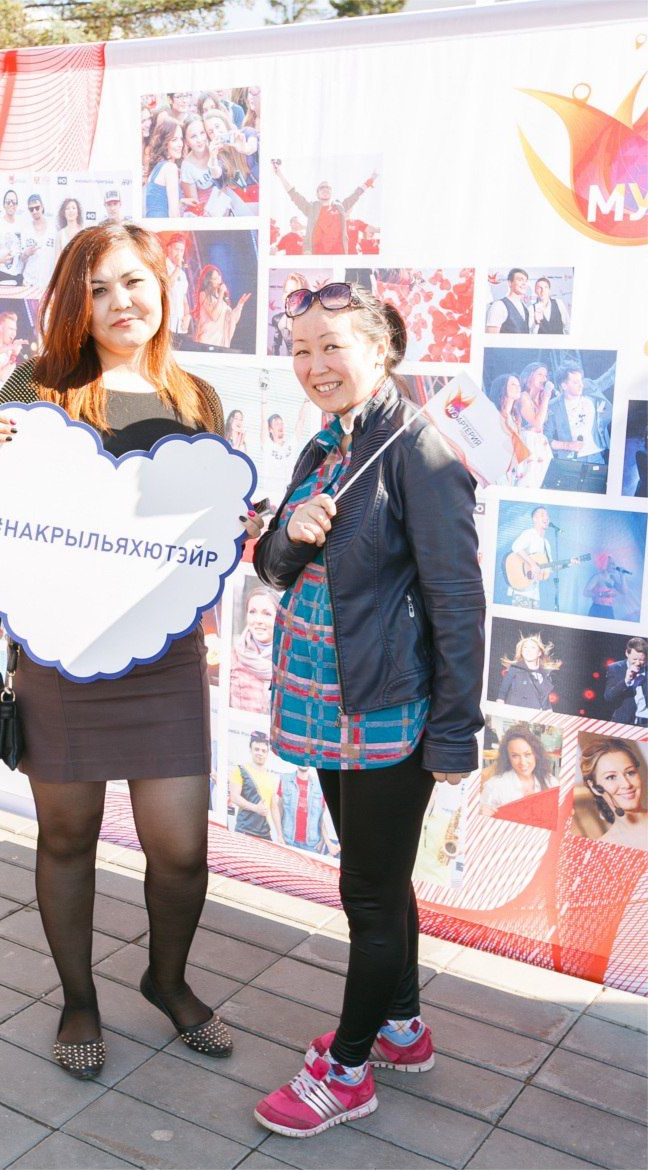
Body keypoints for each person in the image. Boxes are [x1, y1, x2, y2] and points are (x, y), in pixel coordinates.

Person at [0, 222, 255, 1078]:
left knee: (180, 851)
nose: (121, 303)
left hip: (164, 653)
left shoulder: (196, 396)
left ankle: (166, 979)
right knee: (68, 836)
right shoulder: (37, 385)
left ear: (162, 288)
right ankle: (78, 999)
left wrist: (231, 530)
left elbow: (203, 523)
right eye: (99, 288)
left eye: (134, 283)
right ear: (76, 302)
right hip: (61, 650)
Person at [251, 280, 484, 1136]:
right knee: (379, 881)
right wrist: (291, 533)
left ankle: (348, 1071)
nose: (314, 364)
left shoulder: (420, 450)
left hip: (387, 714)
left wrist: (454, 734)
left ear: (380, 350)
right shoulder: (326, 444)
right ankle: (402, 1029)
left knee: (369, 894)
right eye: (300, 348)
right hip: (324, 708)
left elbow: (458, 600)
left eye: (332, 346)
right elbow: (271, 566)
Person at [271, 161, 378, 254]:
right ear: (317, 194)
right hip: (317, 256)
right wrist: (279, 174)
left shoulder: (340, 208)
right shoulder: (310, 209)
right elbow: (293, 194)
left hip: (338, 255)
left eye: (328, 187)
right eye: (322, 187)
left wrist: (371, 179)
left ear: (331, 192)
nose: (325, 189)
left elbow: (356, 194)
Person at [579, 738, 647, 851]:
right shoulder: (601, 849)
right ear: (594, 787)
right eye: (611, 777)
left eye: (630, 773)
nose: (626, 784)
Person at [479, 725, 557, 816]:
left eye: (527, 754)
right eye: (515, 756)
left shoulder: (550, 781)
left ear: (536, 754)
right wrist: (480, 814)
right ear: (508, 757)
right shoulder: (495, 786)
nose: (523, 762)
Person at [544, 362, 609, 465]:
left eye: (580, 380)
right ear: (564, 385)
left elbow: (608, 378)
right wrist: (567, 445)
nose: (581, 385)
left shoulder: (590, 394)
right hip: (571, 460)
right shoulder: (554, 406)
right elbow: (545, 438)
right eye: (575, 382)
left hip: (597, 456)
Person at [229, 586, 278, 714]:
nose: (258, 620)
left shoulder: (289, 659)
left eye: (267, 614)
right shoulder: (234, 657)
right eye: (252, 612)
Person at [229, 731, 283, 841]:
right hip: (244, 830)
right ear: (250, 749)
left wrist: (280, 835)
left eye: (263, 751)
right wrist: (255, 808)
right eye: (257, 749)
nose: (260, 753)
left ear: (267, 753)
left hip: (265, 832)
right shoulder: (241, 770)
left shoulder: (270, 777)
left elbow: (274, 807)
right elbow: (234, 797)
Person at [179, 115, 228, 216]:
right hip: (207, 213)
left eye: (202, 133)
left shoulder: (216, 149)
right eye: (193, 136)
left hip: (229, 202)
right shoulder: (187, 167)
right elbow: (194, 204)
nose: (199, 139)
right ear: (186, 142)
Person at [497, 633, 560, 711]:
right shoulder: (515, 669)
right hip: (514, 711)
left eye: (533, 648)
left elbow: (545, 698)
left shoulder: (545, 674)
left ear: (539, 653)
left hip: (534, 714)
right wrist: (500, 702)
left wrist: (548, 711)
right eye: (525, 648)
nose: (528, 651)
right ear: (522, 652)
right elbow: (503, 689)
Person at [193, 265, 251, 349]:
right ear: (208, 281)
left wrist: (240, 305)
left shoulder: (223, 300)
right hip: (207, 342)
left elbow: (233, 319)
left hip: (220, 342)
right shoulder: (203, 295)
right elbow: (214, 316)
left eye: (219, 276)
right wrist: (220, 293)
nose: (219, 279)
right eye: (215, 278)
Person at [506, 505, 552, 609]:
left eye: (547, 515)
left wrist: (568, 563)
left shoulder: (546, 543)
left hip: (535, 593)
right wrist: (533, 564)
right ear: (534, 519)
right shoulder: (530, 533)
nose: (546, 517)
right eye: (542, 515)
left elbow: (550, 566)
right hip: (521, 589)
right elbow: (516, 546)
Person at [0, 311, 29, 401]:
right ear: (1, 328)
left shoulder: (10, 351)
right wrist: (14, 355)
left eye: (15, 330)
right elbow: (2, 376)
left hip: (10, 399)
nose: (13, 333)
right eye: (10, 329)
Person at [144, 119, 184, 217]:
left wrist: (182, 201)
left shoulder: (157, 168)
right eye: (174, 140)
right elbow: (174, 214)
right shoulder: (170, 168)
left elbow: (160, 201)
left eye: (181, 139)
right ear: (164, 143)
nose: (180, 144)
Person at [604, 637, 648, 727]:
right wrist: (626, 681)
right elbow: (608, 696)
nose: (638, 663)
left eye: (642, 660)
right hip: (623, 723)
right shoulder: (615, 668)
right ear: (627, 653)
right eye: (635, 659)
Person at [279, 765, 322, 851]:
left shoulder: (319, 784)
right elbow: (278, 808)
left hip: (311, 845)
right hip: (287, 840)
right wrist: (279, 834)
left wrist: (323, 840)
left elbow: (322, 814)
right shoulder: (285, 780)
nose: (303, 763)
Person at [21, 195, 58, 290]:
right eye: (31, 209)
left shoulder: (53, 229)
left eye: (37, 208)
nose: (34, 211)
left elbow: (58, 255)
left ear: (42, 207)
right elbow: (22, 258)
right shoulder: (26, 230)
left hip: (49, 282)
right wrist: (27, 253)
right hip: (30, 282)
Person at [270, 273, 309, 358]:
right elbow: (275, 346)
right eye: (286, 291)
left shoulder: (312, 321)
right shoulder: (278, 320)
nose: (288, 296)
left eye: (293, 292)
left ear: (303, 297)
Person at [0, 190, 24, 286]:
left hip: (17, 275)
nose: (11, 204)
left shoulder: (21, 226)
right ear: (4, 204)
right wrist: (0, 259)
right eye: (8, 202)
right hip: (1, 274)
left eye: (14, 202)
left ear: (17, 205)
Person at [485, 268, 533, 334]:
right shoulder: (499, 306)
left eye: (526, 281)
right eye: (520, 280)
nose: (524, 283)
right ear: (510, 283)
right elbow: (491, 337)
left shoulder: (524, 308)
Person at [584, 554, 627, 619]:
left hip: (608, 610)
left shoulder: (613, 578)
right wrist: (602, 594)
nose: (615, 566)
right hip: (597, 609)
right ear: (605, 565)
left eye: (615, 564)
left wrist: (622, 576)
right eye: (612, 564)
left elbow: (624, 591)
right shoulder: (597, 577)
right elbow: (585, 592)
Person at [162, 234, 191, 335]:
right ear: (169, 249)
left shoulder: (182, 274)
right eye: (176, 249)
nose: (179, 254)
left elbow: (184, 299)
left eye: (181, 250)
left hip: (180, 327)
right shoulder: (162, 267)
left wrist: (187, 316)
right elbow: (165, 288)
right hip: (166, 325)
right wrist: (178, 268)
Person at [517, 362, 552, 436]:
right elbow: (537, 425)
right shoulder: (523, 397)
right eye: (540, 375)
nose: (544, 379)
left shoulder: (540, 399)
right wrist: (546, 398)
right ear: (529, 376)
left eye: (545, 376)